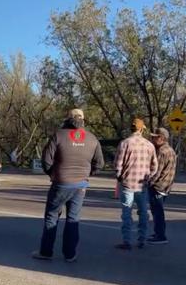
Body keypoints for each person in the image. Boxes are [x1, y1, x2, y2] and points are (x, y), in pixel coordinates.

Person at [32, 108, 104, 262]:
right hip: (80, 185)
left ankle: (46, 252)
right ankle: (70, 254)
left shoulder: (58, 135)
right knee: (73, 218)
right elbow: (99, 163)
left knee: (52, 217)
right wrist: (87, 175)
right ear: (83, 119)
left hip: (61, 183)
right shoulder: (92, 138)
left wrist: (52, 174)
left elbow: (46, 160)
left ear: (67, 119)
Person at [114, 118, 157, 250]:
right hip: (142, 184)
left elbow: (118, 164)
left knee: (127, 213)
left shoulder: (124, 143)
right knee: (143, 212)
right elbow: (155, 166)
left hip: (127, 183)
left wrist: (120, 177)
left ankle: (127, 241)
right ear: (142, 129)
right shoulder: (149, 145)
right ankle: (142, 239)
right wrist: (148, 177)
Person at [147, 127, 177, 245]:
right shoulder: (171, 150)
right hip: (166, 186)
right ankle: (158, 233)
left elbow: (156, 171)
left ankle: (160, 235)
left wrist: (149, 183)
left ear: (162, 138)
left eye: (155, 137)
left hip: (158, 186)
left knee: (157, 212)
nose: (153, 139)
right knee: (157, 211)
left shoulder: (162, 152)